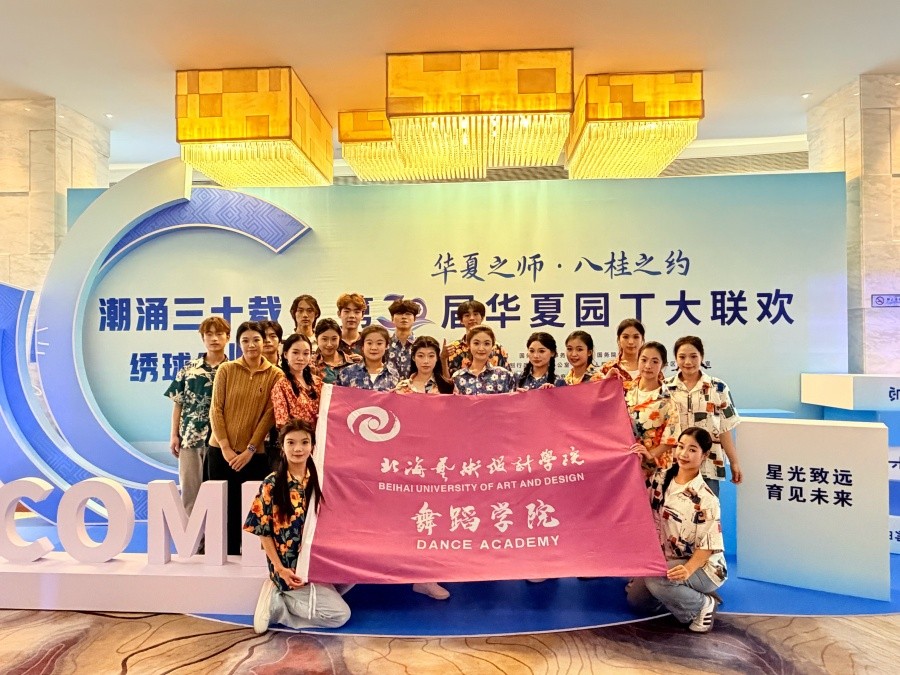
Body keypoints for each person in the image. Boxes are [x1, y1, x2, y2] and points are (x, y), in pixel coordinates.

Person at [244, 419, 351, 633]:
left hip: (317, 563)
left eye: (304, 442)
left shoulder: (321, 481)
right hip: (290, 569)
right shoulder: (272, 483)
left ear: (313, 446)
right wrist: (280, 569)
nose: (298, 449)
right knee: (339, 615)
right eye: (291, 443)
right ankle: (278, 603)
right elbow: (263, 530)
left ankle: (296, 596)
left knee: (353, 576)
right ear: (282, 447)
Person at [626, 427, 726, 633]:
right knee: (637, 600)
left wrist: (688, 569)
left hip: (703, 567)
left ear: (704, 455)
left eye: (692, 450)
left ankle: (702, 605)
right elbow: (635, 489)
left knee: (656, 580)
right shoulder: (661, 479)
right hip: (669, 559)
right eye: (681, 447)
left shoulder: (706, 498)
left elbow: (708, 546)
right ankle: (680, 595)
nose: (683, 454)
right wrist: (642, 457)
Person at [208, 321, 284, 555]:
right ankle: (225, 556)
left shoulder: (275, 374)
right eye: (245, 340)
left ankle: (249, 558)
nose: (251, 345)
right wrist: (225, 448)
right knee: (223, 509)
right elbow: (216, 409)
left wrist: (250, 450)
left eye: (256, 340)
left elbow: (269, 415)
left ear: (264, 342)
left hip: (254, 455)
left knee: (251, 509)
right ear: (238, 343)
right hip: (220, 453)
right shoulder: (226, 370)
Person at [393, 335, 453, 600]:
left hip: (440, 460)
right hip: (410, 460)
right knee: (414, 516)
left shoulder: (447, 386)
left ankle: (431, 572)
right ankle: (417, 574)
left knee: (436, 516)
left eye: (431, 356)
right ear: (413, 357)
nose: (426, 361)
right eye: (420, 355)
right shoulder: (402, 388)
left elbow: (462, 420)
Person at [164, 316, 229, 515]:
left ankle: (218, 534)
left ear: (228, 337)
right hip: (190, 439)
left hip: (222, 442)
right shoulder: (189, 369)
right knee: (190, 493)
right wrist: (174, 435)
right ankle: (191, 534)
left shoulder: (233, 369)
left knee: (220, 494)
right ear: (203, 338)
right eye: (209, 334)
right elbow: (178, 404)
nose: (214, 338)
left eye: (219, 334)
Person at [666, 336, 742, 496]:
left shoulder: (718, 387)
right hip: (673, 464)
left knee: (707, 510)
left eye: (693, 356)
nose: (688, 362)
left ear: (702, 357)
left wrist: (734, 462)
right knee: (670, 510)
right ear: (676, 359)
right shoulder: (666, 388)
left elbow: (724, 429)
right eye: (682, 357)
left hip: (708, 465)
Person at [625, 341, 680, 474]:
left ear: (663, 365)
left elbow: (671, 438)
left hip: (654, 470)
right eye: (644, 360)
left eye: (655, 361)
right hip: (625, 465)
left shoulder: (667, 399)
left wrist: (650, 454)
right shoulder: (625, 389)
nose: (648, 366)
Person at [443, 300, 509, 375]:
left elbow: (507, 377)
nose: (472, 318)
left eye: (475, 314)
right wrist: (443, 358)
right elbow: (445, 379)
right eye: (467, 315)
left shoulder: (497, 348)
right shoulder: (453, 348)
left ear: (482, 317)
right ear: (461, 320)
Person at [271, 334, 322, 428]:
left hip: (321, 435)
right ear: (285, 354)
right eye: (295, 352)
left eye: (306, 353)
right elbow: (283, 424)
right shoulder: (281, 386)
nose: (300, 358)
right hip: (297, 436)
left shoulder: (318, 382)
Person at [452, 326, 516, 395]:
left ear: (492, 346)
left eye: (487, 344)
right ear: (469, 345)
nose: (481, 348)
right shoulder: (457, 377)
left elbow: (513, 400)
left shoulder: (504, 375)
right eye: (476, 343)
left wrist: (521, 395)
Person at [336, 325, 400, 391]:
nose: (374, 348)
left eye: (379, 343)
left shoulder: (393, 374)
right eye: (369, 343)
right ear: (363, 346)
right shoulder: (347, 373)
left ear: (386, 346)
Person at [600, 319, 645, 391]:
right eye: (625, 337)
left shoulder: (651, 367)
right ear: (618, 339)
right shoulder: (608, 368)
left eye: (636, 337)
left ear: (642, 339)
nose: (631, 342)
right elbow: (598, 394)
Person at [386, 298, 420, 379]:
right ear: (392, 318)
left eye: (408, 314)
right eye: (399, 313)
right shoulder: (384, 344)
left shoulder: (420, 345)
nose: (404, 317)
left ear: (414, 318)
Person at [313, 318, 349, 384]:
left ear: (339, 338)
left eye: (334, 339)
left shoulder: (352, 362)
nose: (329, 344)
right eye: (324, 339)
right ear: (316, 339)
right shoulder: (311, 364)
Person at [336, 293, 366, 363]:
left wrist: (365, 363)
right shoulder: (332, 341)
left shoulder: (367, 341)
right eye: (347, 311)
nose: (352, 316)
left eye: (357, 312)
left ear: (362, 315)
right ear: (339, 314)